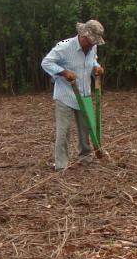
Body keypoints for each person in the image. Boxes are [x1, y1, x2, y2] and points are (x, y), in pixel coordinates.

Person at [41, 20, 105, 171]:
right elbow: (46, 63)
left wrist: (96, 68)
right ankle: (61, 165)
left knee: (86, 128)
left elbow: (93, 61)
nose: (92, 45)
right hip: (66, 95)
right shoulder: (64, 46)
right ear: (83, 36)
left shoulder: (92, 47)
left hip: (85, 94)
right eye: (90, 41)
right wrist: (64, 72)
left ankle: (86, 157)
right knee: (64, 131)